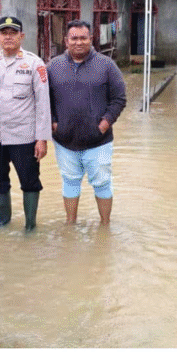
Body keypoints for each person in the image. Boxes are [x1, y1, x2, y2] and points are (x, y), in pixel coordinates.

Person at [0, 16, 51, 231]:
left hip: (24, 137)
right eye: (4, 33)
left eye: (13, 33)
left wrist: (42, 138)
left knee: (30, 182)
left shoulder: (34, 63)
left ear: (21, 36)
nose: (8, 37)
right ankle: (2, 225)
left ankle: (30, 227)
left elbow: (43, 104)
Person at [47, 19, 126, 225]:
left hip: (99, 141)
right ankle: (70, 224)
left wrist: (104, 124)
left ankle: (105, 226)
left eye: (83, 38)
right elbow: (43, 100)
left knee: (102, 183)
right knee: (70, 182)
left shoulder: (107, 65)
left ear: (91, 39)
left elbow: (119, 99)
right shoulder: (53, 67)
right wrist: (53, 123)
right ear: (66, 41)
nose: (79, 42)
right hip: (65, 141)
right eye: (74, 38)